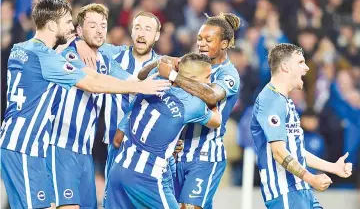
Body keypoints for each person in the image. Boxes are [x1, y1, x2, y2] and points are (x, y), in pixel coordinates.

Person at [0, 0, 169, 209]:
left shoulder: (24, 49)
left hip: (82, 151)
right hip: (52, 146)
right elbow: (92, 82)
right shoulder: (63, 56)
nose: (99, 30)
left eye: (103, 26)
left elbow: (128, 79)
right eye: (88, 25)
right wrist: (76, 43)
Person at [76, 11, 180, 206]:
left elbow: (180, 108)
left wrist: (177, 138)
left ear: (157, 36)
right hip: (116, 146)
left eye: (148, 29)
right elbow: (83, 37)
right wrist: (81, 44)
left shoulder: (166, 68)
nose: (141, 33)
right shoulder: (111, 54)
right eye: (137, 28)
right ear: (131, 32)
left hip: (151, 156)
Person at [144, 12, 241, 209]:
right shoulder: (189, 64)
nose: (202, 44)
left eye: (208, 39)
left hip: (205, 156)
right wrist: (159, 61)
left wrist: (172, 74)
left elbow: (211, 95)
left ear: (224, 43)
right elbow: (141, 75)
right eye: (199, 39)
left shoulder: (228, 74)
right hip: (177, 154)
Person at [105, 53, 221, 209]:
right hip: (147, 176)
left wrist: (157, 64)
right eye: (207, 78)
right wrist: (207, 99)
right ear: (192, 79)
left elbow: (140, 76)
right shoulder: (192, 104)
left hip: (119, 168)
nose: (210, 82)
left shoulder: (156, 80)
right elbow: (216, 120)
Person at [250, 43, 353, 209]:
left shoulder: (286, 102)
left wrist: (333, 167)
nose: (306, 68)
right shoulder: (270, 100)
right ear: (285, 67)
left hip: (301, 190)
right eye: (300, 63)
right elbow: (279, 152)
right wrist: (311, 178)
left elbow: (295, 151)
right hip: (285, 192)